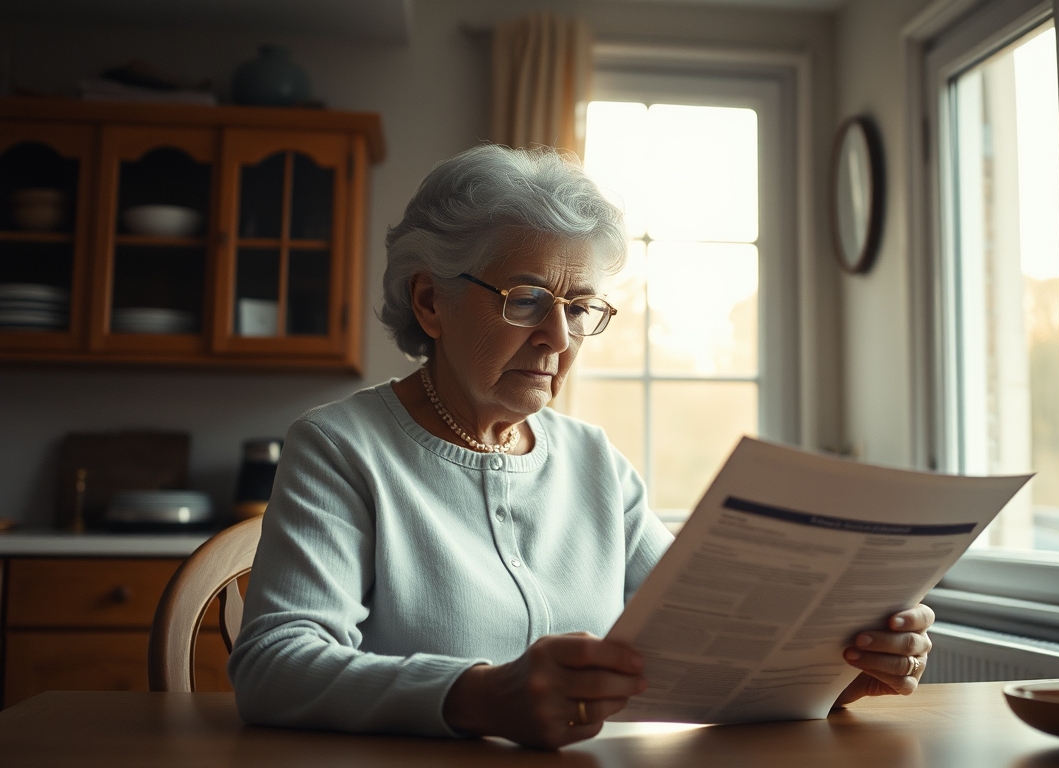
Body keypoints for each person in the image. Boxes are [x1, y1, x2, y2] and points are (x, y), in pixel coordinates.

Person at [228, 145, 934, 749]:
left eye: (580, 308)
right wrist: (479, 698)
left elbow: (708, 643)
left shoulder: (595, 463)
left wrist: (834, 668)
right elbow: (273, 665)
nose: (558, 338)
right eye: (526, 299)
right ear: (430, 302)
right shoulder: (340, 447)